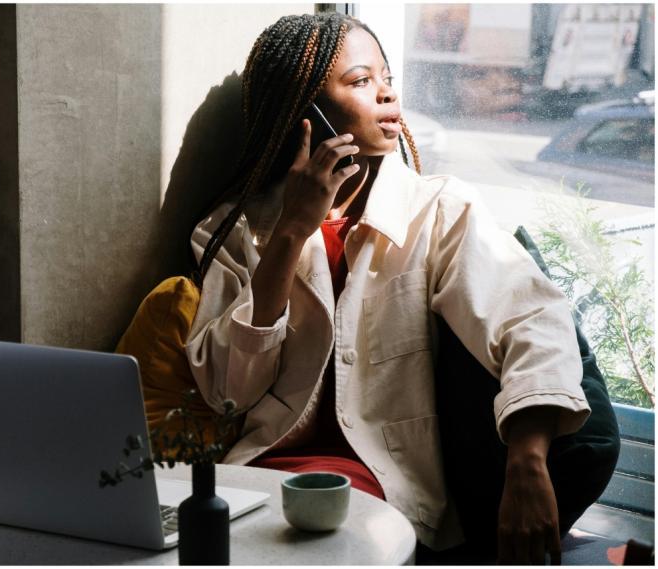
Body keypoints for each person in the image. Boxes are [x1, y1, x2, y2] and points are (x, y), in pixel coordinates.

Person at [183, 12, 604, 564]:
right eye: (360, 82)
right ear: (303, 111)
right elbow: (226, 391)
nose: (385, 95)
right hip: (258, 478)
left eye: (387, 78)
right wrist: (290, 232)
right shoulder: (231, 229)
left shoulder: (438, 210)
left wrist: (528, 458)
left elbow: (531, 318)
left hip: (379, 484)